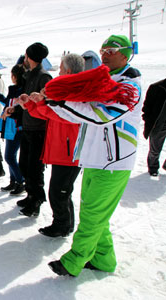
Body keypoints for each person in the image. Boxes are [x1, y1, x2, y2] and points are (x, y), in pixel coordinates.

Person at [43, 35, 142, 277]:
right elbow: (80, 114)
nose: (105, 53)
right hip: (94, 158)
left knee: (92, 214)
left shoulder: (130, 85)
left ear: (126, 53)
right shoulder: (103, 81)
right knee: (97, 214)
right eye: (103, 49)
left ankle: (74, 260)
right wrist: (54, 103)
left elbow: (103, 115)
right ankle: (103, 260)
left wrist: (63, 101)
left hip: (114, 162)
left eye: (112, 49)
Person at [23, 53, 84, 237]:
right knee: (61, 190)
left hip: (69, 151)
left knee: (59, 192)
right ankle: (66, 224)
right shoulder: (65, 90)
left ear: (68, 70)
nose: (58, 71)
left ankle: (62, 225)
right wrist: (32, 105)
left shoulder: (77, 92)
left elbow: (62, 115)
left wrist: (41, 103)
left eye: (60, 68)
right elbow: (48, 114)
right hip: (60, 149)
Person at [17, 42, 52, 217]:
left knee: (34, 168)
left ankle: (36, 200)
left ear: (29, 56)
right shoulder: (30, 75)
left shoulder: (44, 77)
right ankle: (30, 194)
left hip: (39, 129)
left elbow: (46, 103)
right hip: (28, 126)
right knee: (24, 164)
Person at [0, 64, 26, 194]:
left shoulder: (23, 92)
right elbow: (7, 103)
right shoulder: (13, 89)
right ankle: (13, 181)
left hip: (17, 127)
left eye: (13, 75)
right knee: (10, 155)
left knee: (9, 156)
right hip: (9, 126)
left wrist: (10, 111)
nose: (12, 77)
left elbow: (16, 109)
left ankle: (21, 181)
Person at [142, 78, 166, 176]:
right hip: (159, 124)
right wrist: (148, 120)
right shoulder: (157, 87)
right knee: (155, 150)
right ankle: (153, 167)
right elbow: (146, 107)